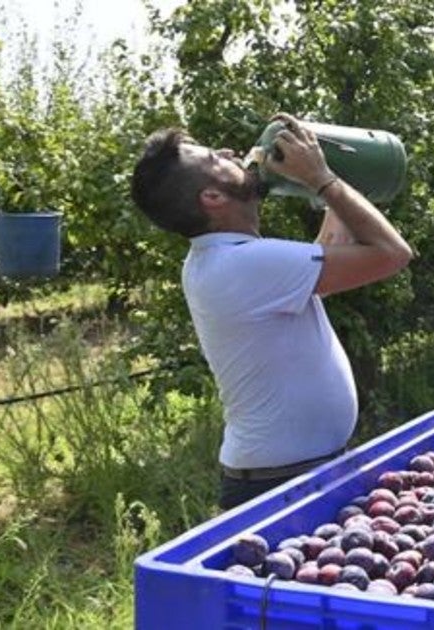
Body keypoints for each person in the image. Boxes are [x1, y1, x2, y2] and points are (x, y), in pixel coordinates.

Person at [130, 113, 413, 510]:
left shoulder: (224, 258)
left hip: (286, 473)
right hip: (279, 483)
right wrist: (322, 181)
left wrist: (336, 174)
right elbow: (393, 255)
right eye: (215, 158)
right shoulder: (243, 264)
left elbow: (332, 251)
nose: (230, 152)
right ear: (212, 198)